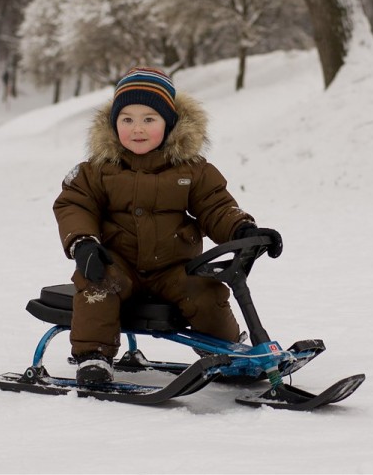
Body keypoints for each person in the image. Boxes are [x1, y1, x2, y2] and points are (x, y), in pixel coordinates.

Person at [53, 67, 283, 385]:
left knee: (206, 292)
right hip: (118, 261)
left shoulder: (192, 170)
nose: (137, 129)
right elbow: (75, 204)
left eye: (150, 119)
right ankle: (94, 357)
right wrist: (84, 242)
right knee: (97, 285)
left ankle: (228, 352)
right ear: (113, 124)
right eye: (127, 119)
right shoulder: (96, 171)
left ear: (170, 123)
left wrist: (242, 229)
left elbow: (216, 207)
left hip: (174, 267)